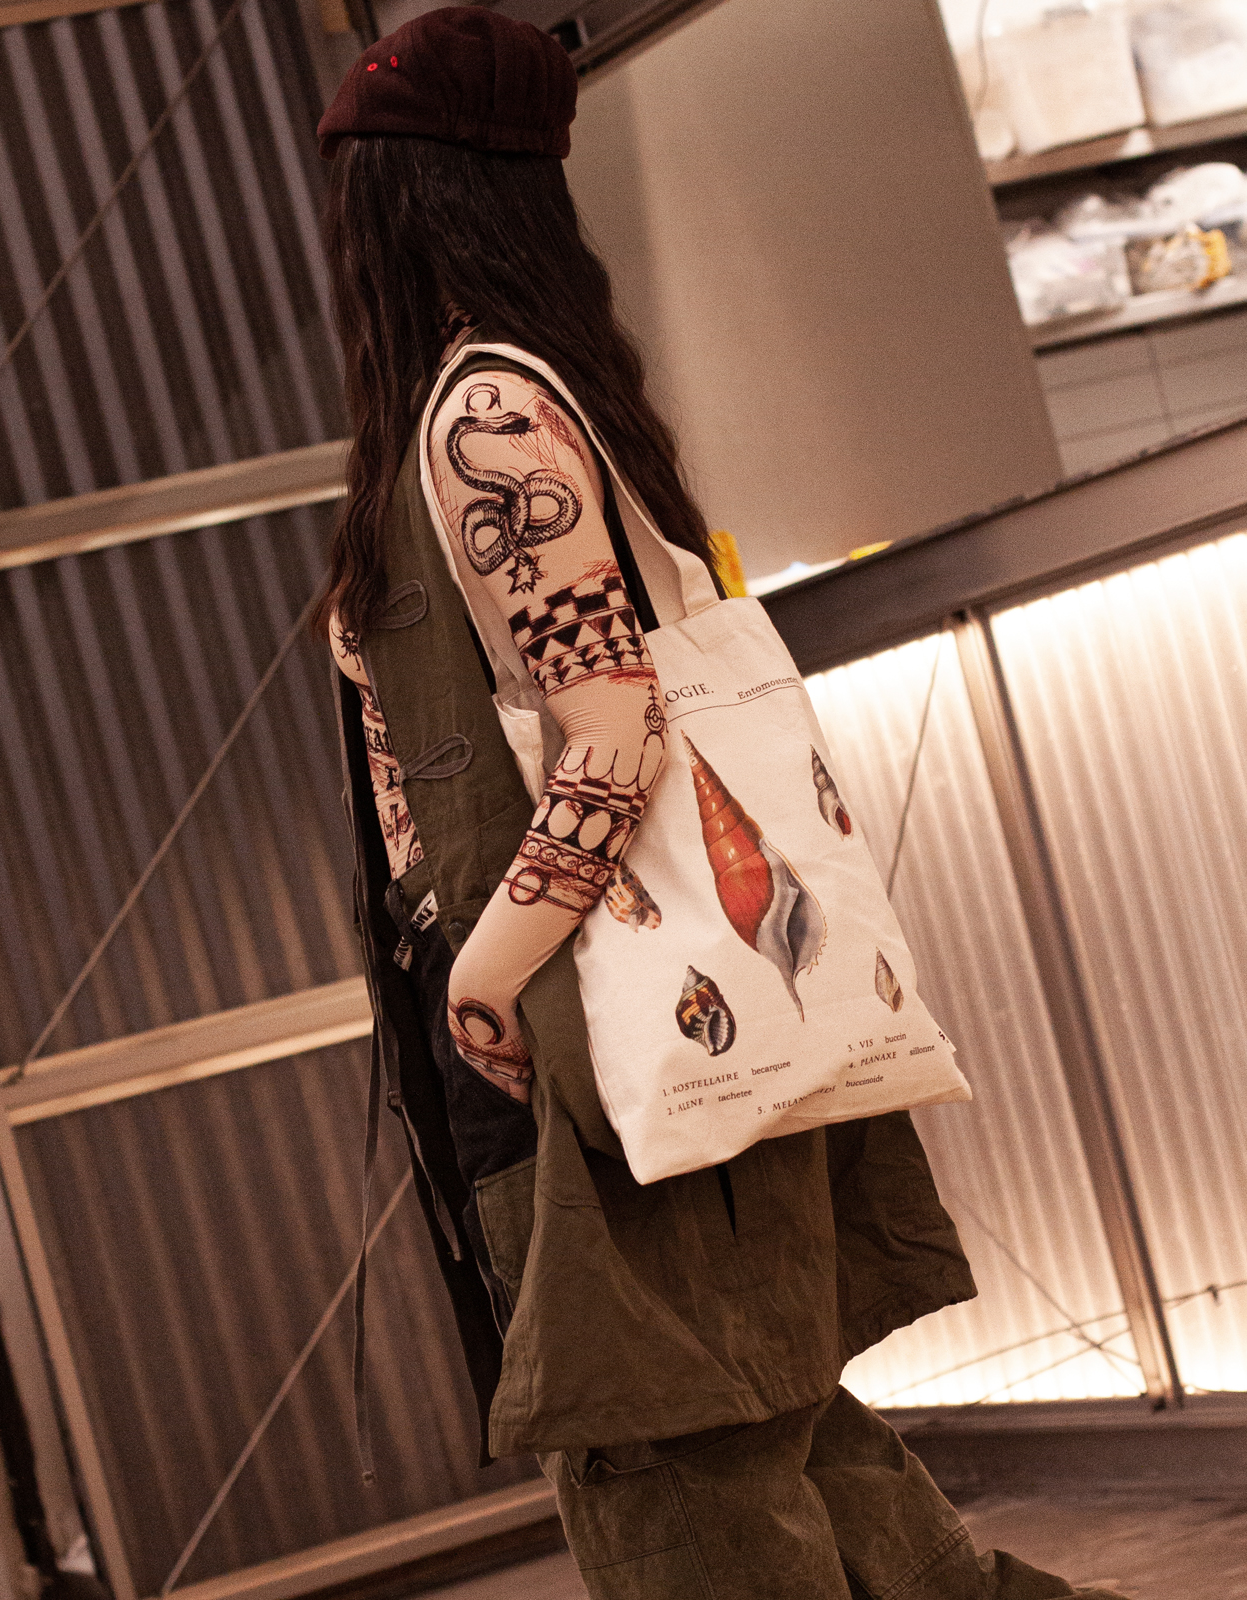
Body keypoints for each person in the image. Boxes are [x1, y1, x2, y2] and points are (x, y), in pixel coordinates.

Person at [315, 11, 1125, 1597]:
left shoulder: (481, 421)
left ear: (401, 197)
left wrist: (484, 971)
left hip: (577, 1001)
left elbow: (612, 732)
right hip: (633, 992)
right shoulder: (525, 394)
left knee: (674, 1469)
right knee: (777, 1432)